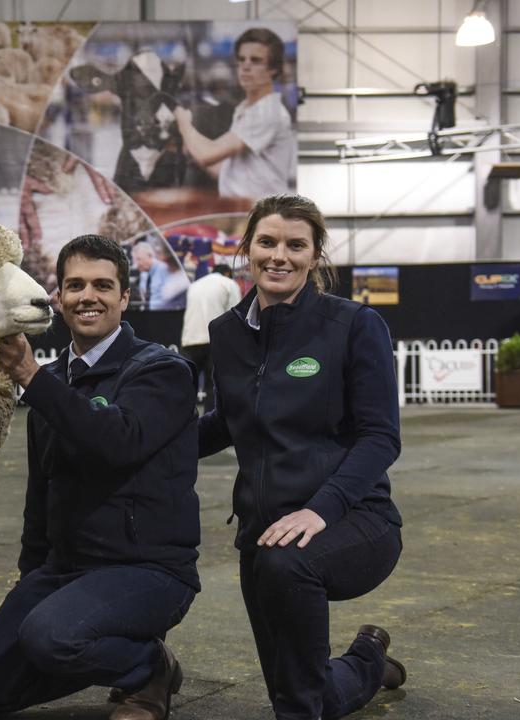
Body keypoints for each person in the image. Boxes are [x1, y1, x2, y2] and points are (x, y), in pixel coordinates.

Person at [0, 234, 201, 720]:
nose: (87, 296)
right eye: (75, 286)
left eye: (102, 285)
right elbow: (40, 493)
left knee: (51, 636)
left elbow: (117, 441)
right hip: (66, 569)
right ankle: (97, 647)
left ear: (124, 298)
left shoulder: (161, 371)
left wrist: (33, 377)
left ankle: (147, 666)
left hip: (149, 571)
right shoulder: (55, 381)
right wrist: (31, 583)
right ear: (59, 298)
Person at [198, 194, 406, 720]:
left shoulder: (354, 325)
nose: (279, 256)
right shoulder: (225, 334)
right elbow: (228, 421)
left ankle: (356, 662)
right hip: (264, 532)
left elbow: (381, 437)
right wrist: (140, 439)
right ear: (247, 248)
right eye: (267, 242)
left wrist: (320, 510)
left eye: (296, 245)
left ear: (315, 256)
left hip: (354, 521)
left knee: (298, 696)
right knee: (305, 696)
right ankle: (367, 659)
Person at [173, 27, 296, 200]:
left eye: (255, 60)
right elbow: (228, 172)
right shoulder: (247, 110)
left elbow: (207, 155)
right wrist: (191, 147)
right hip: (245, 214)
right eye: (241, 59)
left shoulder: (266, 111)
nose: (245, 66)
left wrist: (183, 122)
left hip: (259, 216)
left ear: (273, 69)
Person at [179, 263, 241, 411]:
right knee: (213, 387)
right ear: (227, 273)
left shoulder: (194, 285)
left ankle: (180, 424)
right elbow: (236, 314)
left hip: (190, 340)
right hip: (215, 341)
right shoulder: (229, 283)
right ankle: (209, 427)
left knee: (185, 386)